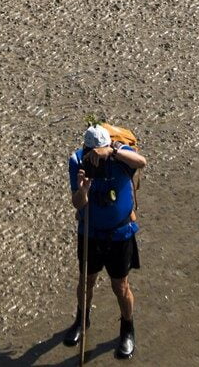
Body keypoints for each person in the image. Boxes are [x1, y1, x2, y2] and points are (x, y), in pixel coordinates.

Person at [67, 125, 146, 359]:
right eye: (89, 152)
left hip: (120, 233)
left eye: (96, 153)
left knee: (120, 286)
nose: (94, 160)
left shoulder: (120, 156)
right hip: (91, 233)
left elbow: (141, 162)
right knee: (86, 280)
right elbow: (78, 204)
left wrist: (111, 152)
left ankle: (127, 328)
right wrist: (84, 189)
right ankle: (82, 320)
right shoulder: (77, 162)